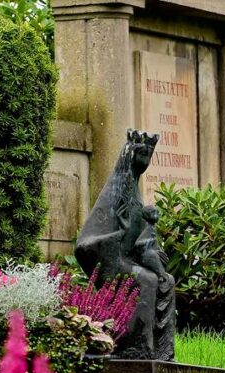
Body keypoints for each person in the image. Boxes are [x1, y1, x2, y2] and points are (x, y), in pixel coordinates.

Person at [75, 129, 175, 360]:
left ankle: (162, 352)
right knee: (147, 280)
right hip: (114, 262)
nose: (146, 161)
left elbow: (141, 240)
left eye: (149, 156)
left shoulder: (135, 193)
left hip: (129, 261)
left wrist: (154, 251)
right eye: (142, 155)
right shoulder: (114, 193)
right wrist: (118, 237)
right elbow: (84, 245)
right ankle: (134, 348)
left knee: (167, 280)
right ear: (131, 155)